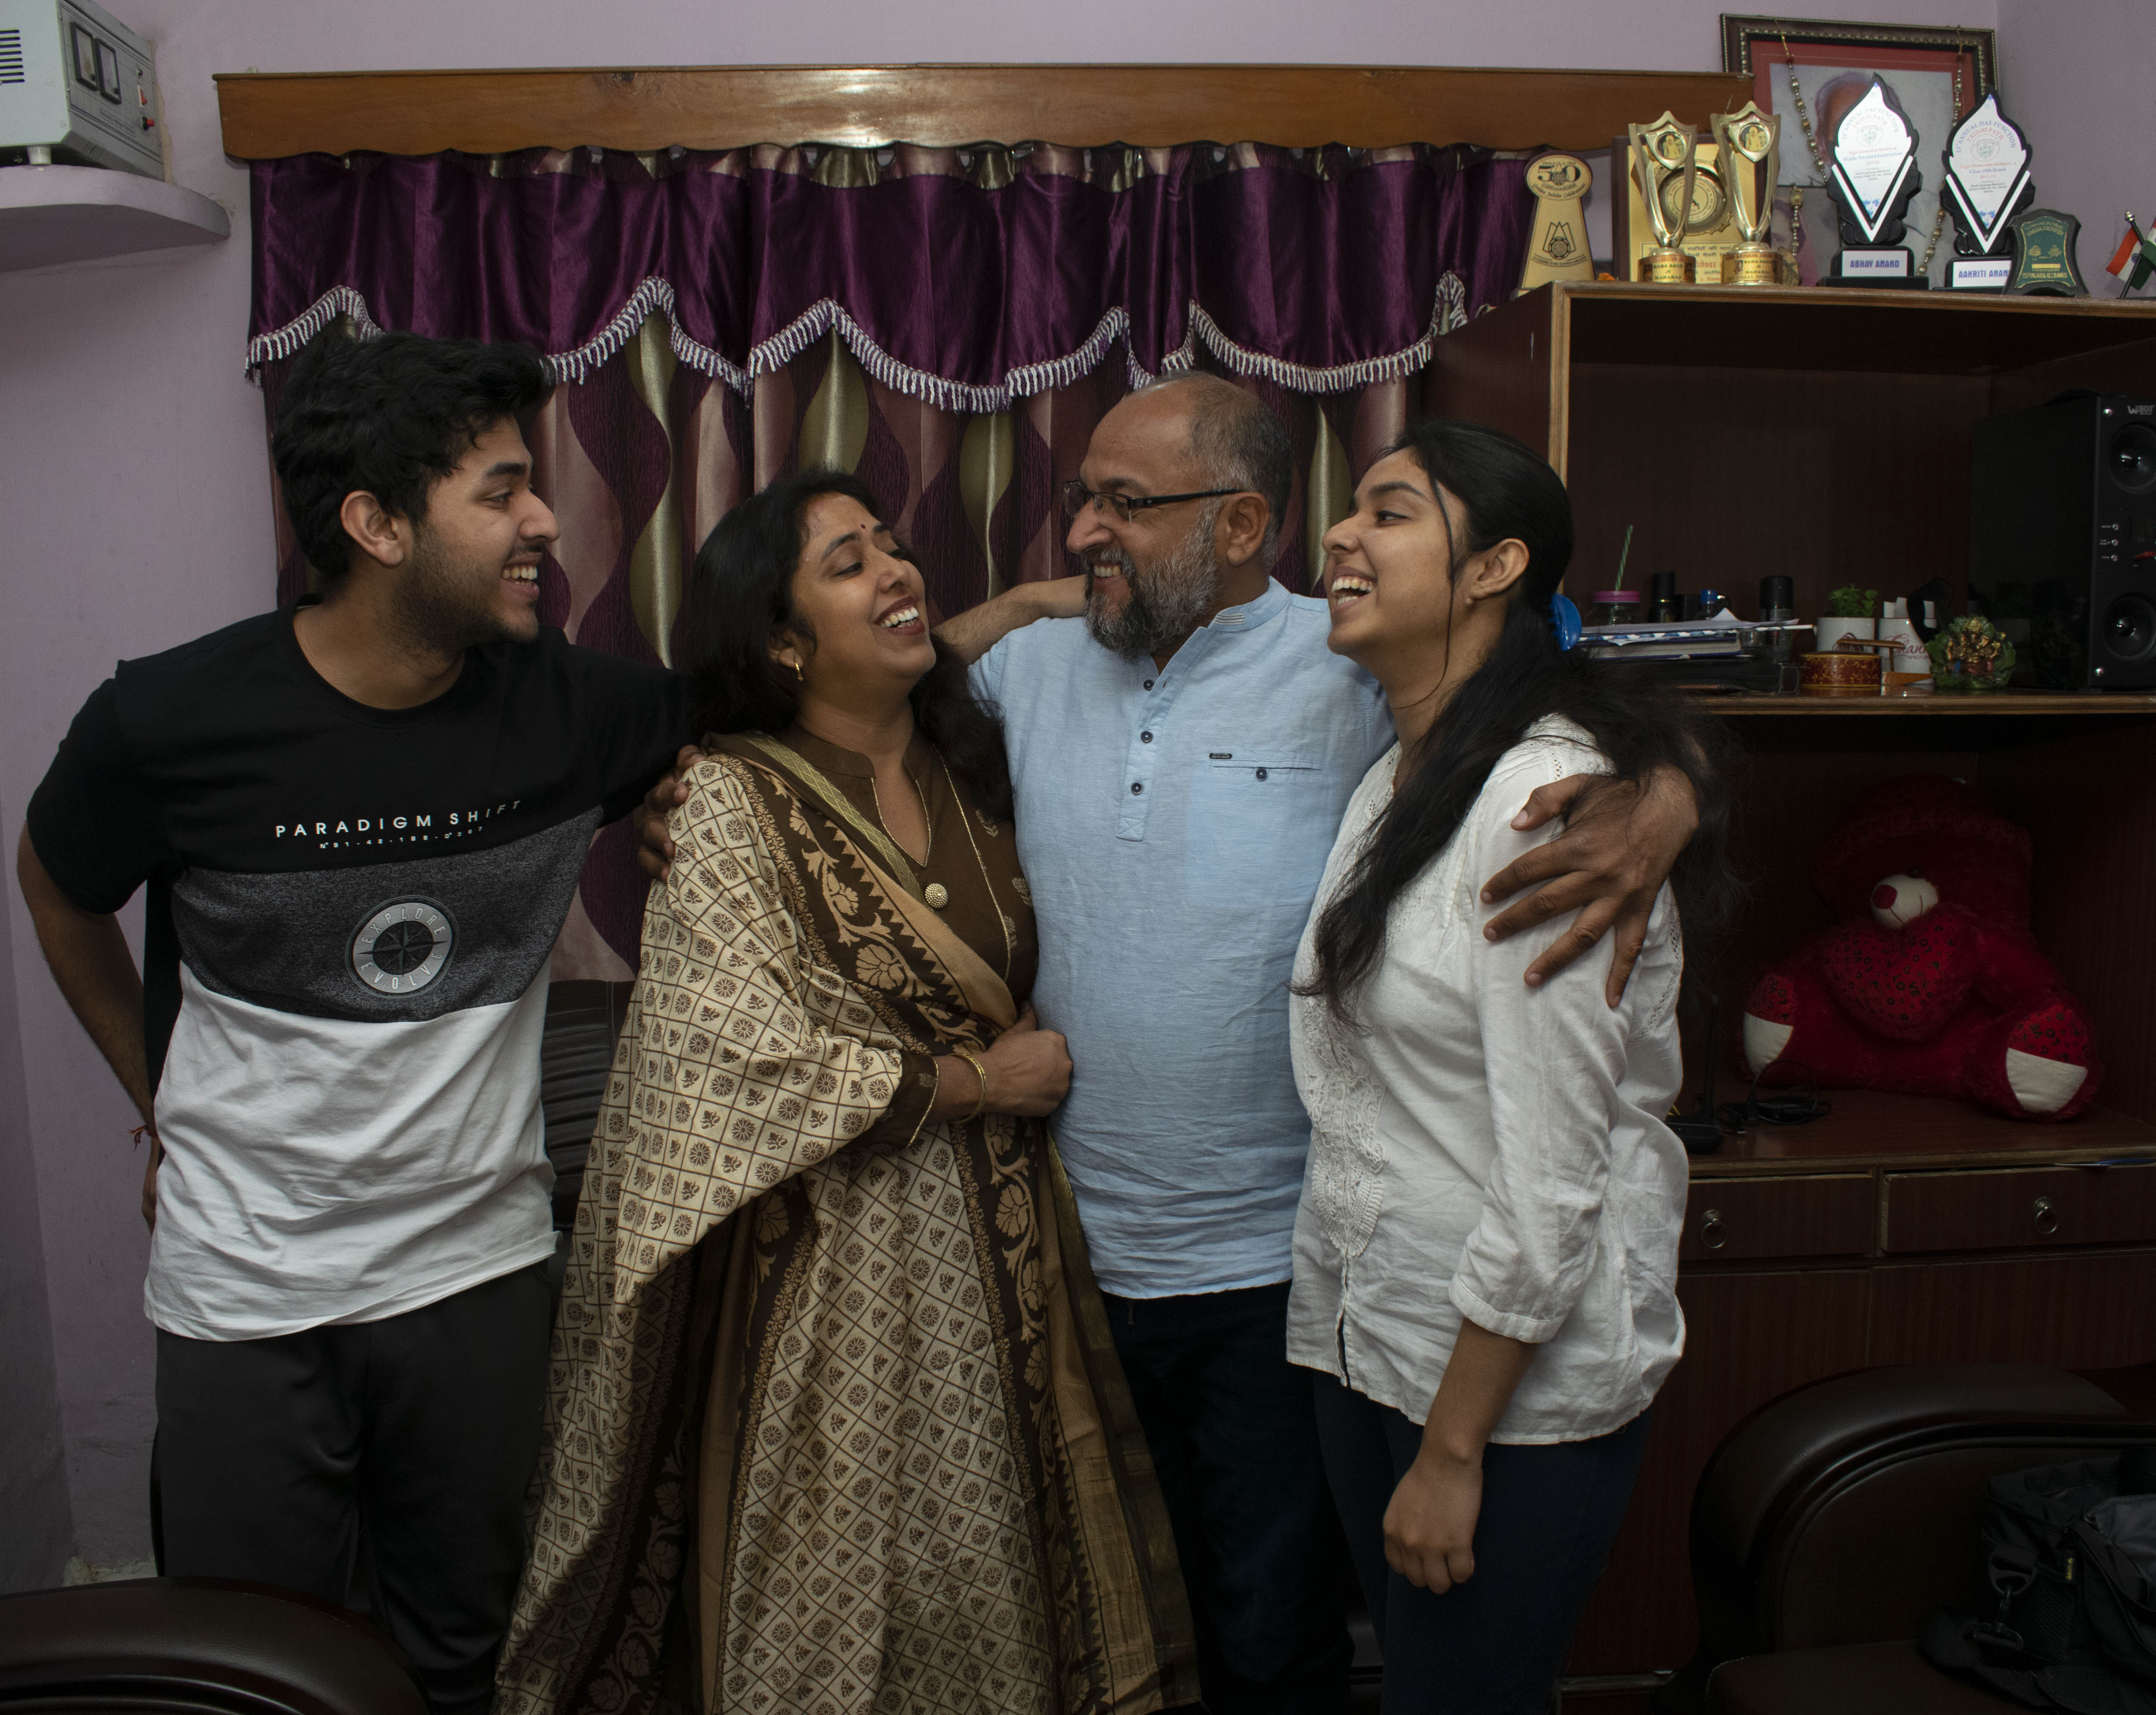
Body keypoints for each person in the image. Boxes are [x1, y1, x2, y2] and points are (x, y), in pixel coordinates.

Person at [15, 327, 1071, 1715]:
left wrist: (1012, 614)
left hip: (480, 1273)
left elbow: (801, 683)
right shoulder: (169, 719)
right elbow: (57, 888)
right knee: (247, 1661)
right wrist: (155, 1092)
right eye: (503, 492)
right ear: (376, 524)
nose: (545, 522)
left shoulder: (572, 709)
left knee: (476, 1648)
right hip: (247, 1288)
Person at [639, 374, 1699, 1712]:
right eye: (1082, 498)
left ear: (1247, 524)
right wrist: (709, 776)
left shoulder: (1357, 667)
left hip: (1279, 1277)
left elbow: (1543, 708)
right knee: (1104, 1629)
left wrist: (1666, 793)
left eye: (1123, 506)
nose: (1081, 529)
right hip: (1059, 1255)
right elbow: (844, 694)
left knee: (1276, 1639)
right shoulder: (1029, 670)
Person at [497, 471, 1195, 1715]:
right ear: (779, 638)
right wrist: (979, 1080)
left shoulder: (980, 768)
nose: (895, 569)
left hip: (1004, 1250)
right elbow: (728, 1060)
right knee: (833, 1589)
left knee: (995, 1571)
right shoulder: (722, 797)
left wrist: (1038, 598)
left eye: (892, 544)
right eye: (846, 562)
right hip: (827, 1273)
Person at [1289, 419, 1732, 1714]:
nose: (1342, 536)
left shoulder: (1550, 807)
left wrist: (1453, 1448)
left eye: (1389, 513)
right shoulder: (1401, 771)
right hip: (1377, 1331)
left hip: (1500, 1398)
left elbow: (1553, 1177)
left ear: (1494, 567)